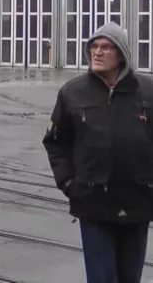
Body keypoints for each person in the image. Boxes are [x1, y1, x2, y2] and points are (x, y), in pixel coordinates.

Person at [43, 21, 153, 283]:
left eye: (105, 47)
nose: (97, 52)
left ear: (122, 54)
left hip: (137, 204)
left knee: (129, 278)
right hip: (93, 205)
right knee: (102, 279)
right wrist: (70, 183)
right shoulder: (72, 93)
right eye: (94, 47)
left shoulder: (147, 92)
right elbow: (56, 142)